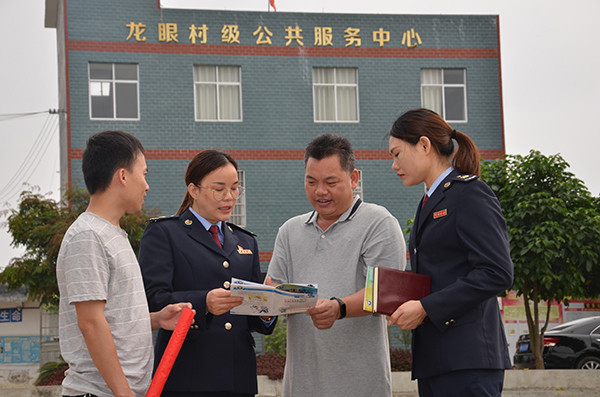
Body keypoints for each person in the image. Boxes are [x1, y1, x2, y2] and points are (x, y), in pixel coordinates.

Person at [266, 133, 406, 397]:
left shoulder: (378, 223)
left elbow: (384, 295)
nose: (320, 191)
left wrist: (338, 308)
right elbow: (276, 293)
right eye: (311, 182)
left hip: (361, 384)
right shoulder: (289, 230)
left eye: (331, 182)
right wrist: (263, 302)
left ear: (354, 178)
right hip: (301, 385)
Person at [386, 108, 514, 397]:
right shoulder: (429, 201)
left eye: (396, 154)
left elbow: (497, 272)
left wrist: (426, 308)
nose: (394, 166)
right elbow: (439, 273)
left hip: (467, 361)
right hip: (436, 360)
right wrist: (388, 297)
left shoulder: (469, 194)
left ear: (424, 145)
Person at [56, 130, 193, 397]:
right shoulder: (88, 235)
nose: (147, 185)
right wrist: (124, 394)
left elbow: (111, 316)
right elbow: (91, 323)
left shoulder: (113, 234)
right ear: (122, 176)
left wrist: (153, 319)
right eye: (143, 173)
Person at [138, 150, 276, 397]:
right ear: (193, 190)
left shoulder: (246, 241)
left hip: (238, 378)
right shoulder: (165, 234)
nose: (229, 197)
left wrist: (270, 306)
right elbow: (152, 299)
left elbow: (252, 317)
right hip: (188, 377)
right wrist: (204, 303)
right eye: (219, 189)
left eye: (235, 188)